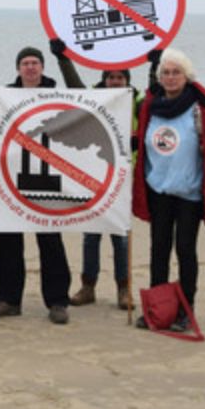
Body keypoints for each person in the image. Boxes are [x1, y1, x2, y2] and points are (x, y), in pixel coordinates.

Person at [133, 48, 205, 331]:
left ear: (187, 76)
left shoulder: (202, 109)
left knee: (185, 250)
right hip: (158, 189)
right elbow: (143, 139)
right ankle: (158, 308)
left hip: (189, 192)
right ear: (159, 76)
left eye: (176, 72)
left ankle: (186, 311)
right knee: (158, 250)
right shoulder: (150, 105)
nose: (171, 77)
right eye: (166, 72)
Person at [0, 46, 73, 325]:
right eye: (25, 63)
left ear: (42, 67)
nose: (30, 67)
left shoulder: (58, 95)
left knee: (50, 242)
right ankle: (9, 300)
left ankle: (58, 301)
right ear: (18, 68)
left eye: (35, 62)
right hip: (13, 176)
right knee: (9, 242)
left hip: (48, 178)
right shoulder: (4, 96)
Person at [49, 38, 135, 310]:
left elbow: (159, 94)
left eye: (120, 77)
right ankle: (88, 287)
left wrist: (156, 62)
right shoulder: (92, 98)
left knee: (120, 236)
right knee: (91, 235)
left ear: (126, 80)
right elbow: (74, 85)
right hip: (94, 175)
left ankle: (124, 289)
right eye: (111, 77)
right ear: (104, 80)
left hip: (123, 179)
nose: (115, 81)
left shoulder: (137, 98)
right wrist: (63, 58)